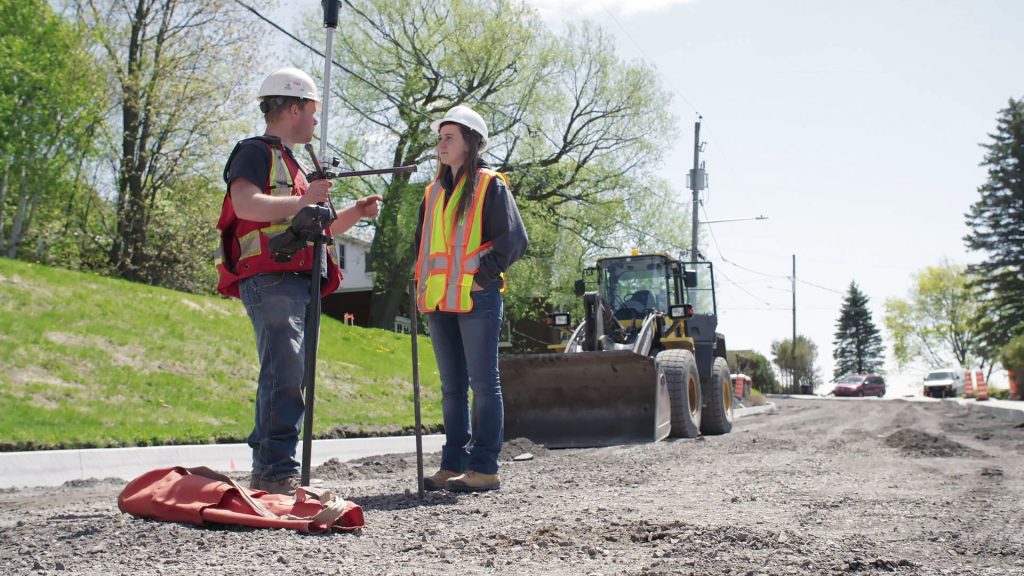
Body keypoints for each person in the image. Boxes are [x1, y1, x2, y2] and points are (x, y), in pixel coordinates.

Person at [215, 66, 382, 495]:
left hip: (296, 282)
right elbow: (245, 203)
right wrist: (301, 199)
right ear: (292, 108)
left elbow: (320, 227)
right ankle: (273, 470)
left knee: (292, 372)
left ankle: (276, 467)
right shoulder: (255, 150)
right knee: (283, 370)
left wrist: (356, 214)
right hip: (270, 277)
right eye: (312, 111)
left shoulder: (296, 165)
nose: (315, 121)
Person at [414, 105, 528, 492]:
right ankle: (453, 464)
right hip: (439, 302)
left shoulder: (488, 184)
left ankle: (484, 467)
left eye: (449, 137)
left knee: (483, 384)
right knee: (451, 388)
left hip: (477, 299)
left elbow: (515, 240)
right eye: (439, 137)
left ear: (470, 143)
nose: (441, 144)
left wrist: (483, 276)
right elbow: (424, 250)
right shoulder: (431, 193)